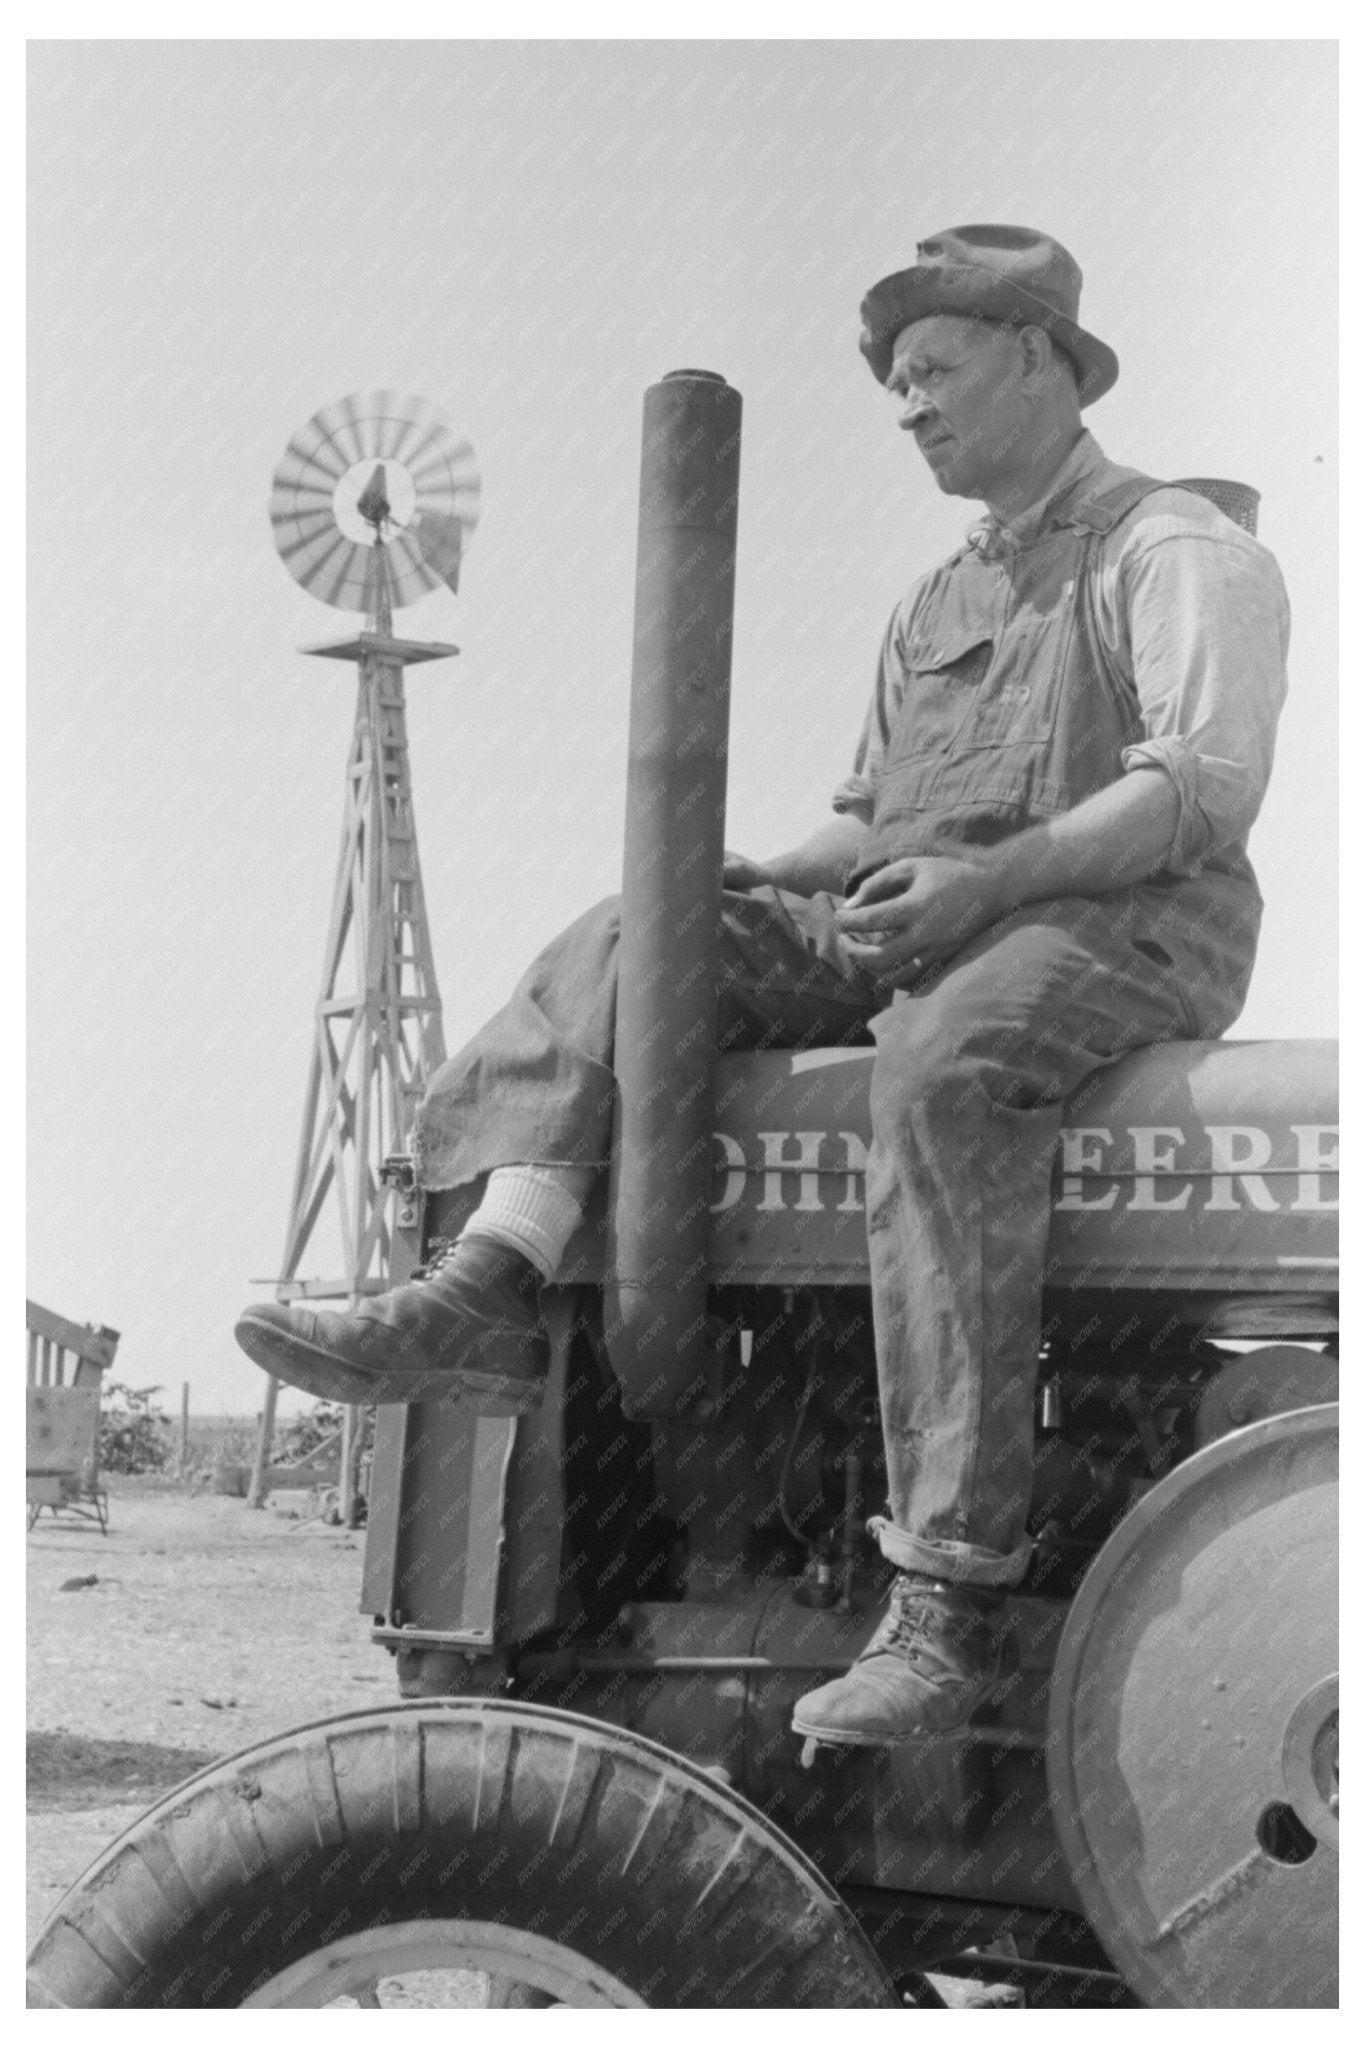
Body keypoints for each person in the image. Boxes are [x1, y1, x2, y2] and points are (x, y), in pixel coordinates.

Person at [236, 224, 1289, 1747]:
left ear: (1044, 360)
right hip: (926, 910)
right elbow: (875, 817)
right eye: (895, 384)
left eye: (933, 369)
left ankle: (942, 1600)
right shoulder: (934, 598)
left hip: (1122, 925)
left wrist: (988, 882)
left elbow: (1198, 789)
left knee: (941, 1071)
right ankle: (489, 1281)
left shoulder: (1172, 547)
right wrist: (754, 875)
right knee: (635, 935)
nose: (909, 405)